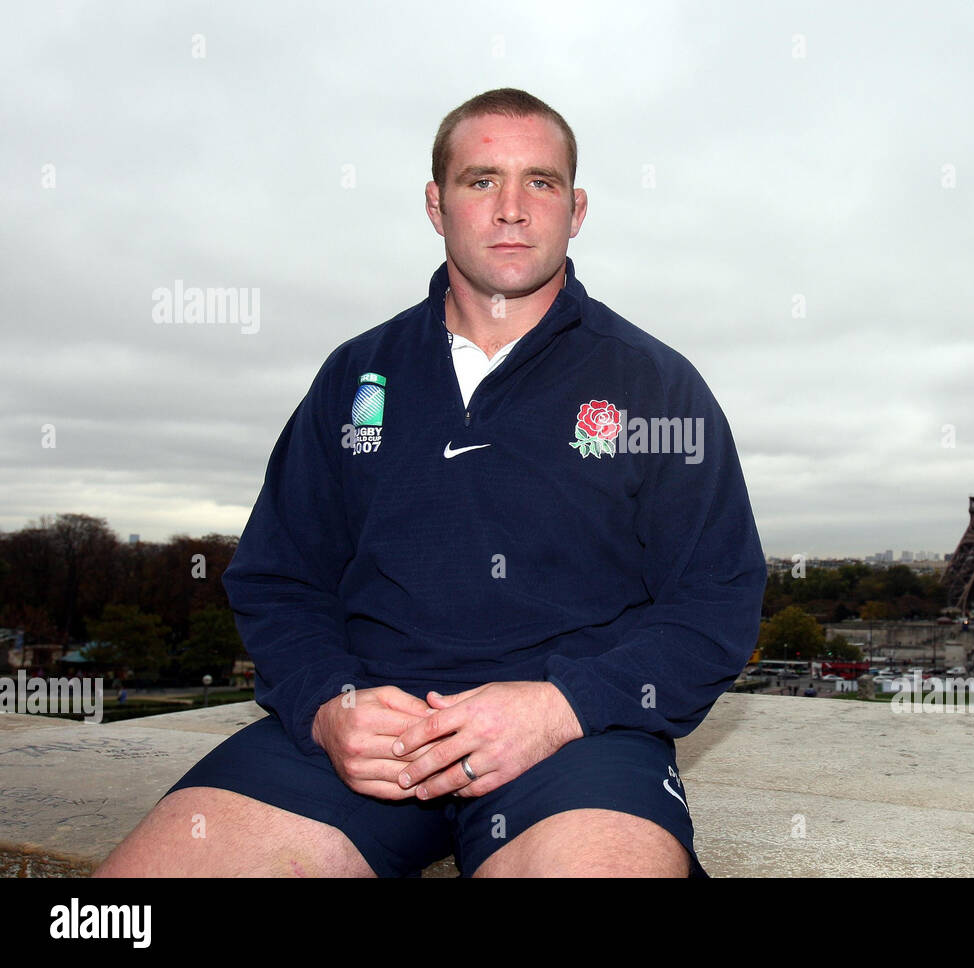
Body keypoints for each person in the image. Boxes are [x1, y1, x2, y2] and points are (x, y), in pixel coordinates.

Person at [94, 88, 765, 878]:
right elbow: (279, 578)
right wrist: (328, 704)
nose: (512, 208)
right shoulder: (355, 375)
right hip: (367, 734)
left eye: (540, 182)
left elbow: (716, 598)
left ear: (576, 209)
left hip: (577, 742)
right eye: (482, 180)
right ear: (435, 203)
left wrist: (561, 708)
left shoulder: (656, 384)